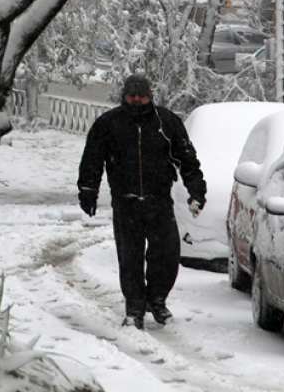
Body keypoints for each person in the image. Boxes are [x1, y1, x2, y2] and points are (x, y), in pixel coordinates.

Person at [76, 74, 206, 329]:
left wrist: (197, 188)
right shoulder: (108, 123)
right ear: (124, 95)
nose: (136, 99)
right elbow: (92, 159)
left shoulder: (165, 122)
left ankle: (157, 300)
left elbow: (187, 158)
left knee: (166, 255)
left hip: (159, 201)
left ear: (150, 96)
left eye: (141, 95)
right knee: (130, 257)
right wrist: (88, 191)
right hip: (126, 203)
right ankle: (134, 307)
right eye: (131, 95)